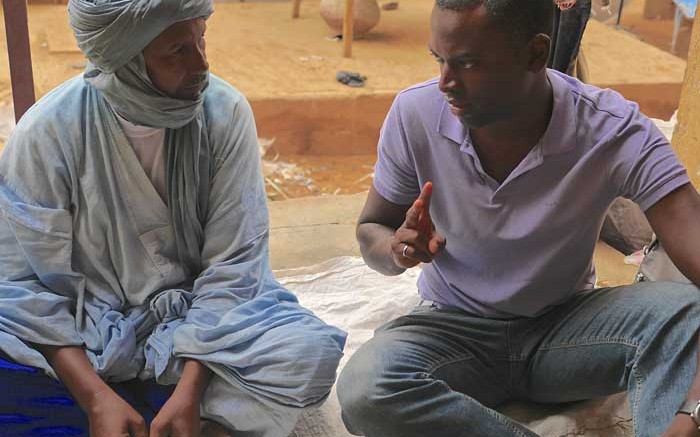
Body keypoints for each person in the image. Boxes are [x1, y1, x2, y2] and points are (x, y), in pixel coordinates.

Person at [336, 1, 700, 436]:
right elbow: (371, 229)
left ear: (535, 54)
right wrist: (396, 249)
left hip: (569, 334)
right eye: (439, 59)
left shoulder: (611, 128)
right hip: (452, 330)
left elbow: (689, 230)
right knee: (367, 388)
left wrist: (693, 412)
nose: (446, 83)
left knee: (686, 313)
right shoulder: (415, 114)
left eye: (468, 63)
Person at [0, 0, 346, 436]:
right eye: (177, 50)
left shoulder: (224, 113)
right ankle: (144, 414)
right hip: (85, 330)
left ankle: (166, 413)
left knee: (304, 353)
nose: (202, 63)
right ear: (124, 60)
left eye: (202, 39)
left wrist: (191, 390)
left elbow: (233, 268)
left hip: (195, 330)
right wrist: (95, 397)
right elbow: (20, 284)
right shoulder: (47, 133)